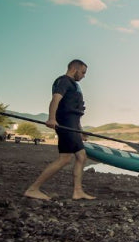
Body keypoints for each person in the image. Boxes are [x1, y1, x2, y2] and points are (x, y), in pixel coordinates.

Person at [24, 59, 95, 201]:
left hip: (72, 124)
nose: (84, 76)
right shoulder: (64, 81)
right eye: (83, 72)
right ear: (74, 70)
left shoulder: (73, 85)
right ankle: (33, 189)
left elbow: (75, 111)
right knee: (65, 159)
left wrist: (79, 131)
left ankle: (78, 191)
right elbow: (55, 99)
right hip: (65, 124)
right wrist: (51, 118)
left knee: (81, 157)